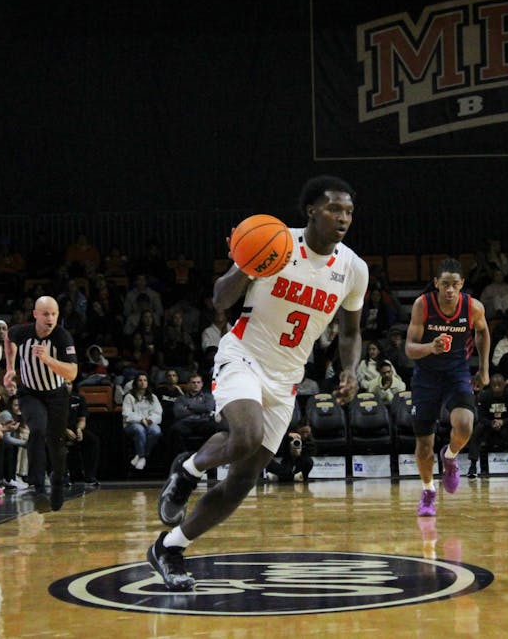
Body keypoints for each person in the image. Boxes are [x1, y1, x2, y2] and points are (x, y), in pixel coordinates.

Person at [147, 174, 368, 591]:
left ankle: (169, 547)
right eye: (334, 209)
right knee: (244, 435)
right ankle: (189, 469)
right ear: (311, 211)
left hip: (286, 378)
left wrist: (350, 370)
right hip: (243, 355)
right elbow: (221, 299)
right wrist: (245, 266)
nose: (343, 218)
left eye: (349, 211)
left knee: (243, 481)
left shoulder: (354, 269)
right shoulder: (276, 241)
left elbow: (352, 332)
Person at [405, 257, 490, 517]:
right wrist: (431, 347)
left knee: (465, 425)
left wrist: (484, 369)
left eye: (455, 284)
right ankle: (429, 491)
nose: (450, 290)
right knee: (424, 445)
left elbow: (483, 332)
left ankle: (451, 456)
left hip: (456, 373)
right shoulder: (423, 305)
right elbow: (409, 348)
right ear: (436, 284)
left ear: (462, 284)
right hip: (426, 377)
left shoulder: (473, 307)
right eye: (445, 284)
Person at [3, 295, 79, 511]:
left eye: (54, 314)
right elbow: (8, 338)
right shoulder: (23, 332)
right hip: (30, 393)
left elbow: (72, 373)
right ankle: (37, 486)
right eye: (46, 314)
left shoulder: (62, 337)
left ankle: (56, 483)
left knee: (56, 444)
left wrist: (48, 360)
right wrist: (10, 368)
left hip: (56, 394)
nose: (50, 318)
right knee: (37, 429)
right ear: (35, 314)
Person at [468, 373, 508, 479]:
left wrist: (502, 422)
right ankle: (473, 466)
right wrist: (492, 423)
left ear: (504, 385)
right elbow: (481, 417)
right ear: (491, 385)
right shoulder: (483, 396)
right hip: (489, 427)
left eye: (499, 385)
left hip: (506, 427)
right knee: (478, 428)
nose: (497, 388)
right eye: (494, 385)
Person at [121, 371, 163, 470]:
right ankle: (143, 457)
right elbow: (127, 414)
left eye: (145, 380)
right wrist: (141, 420)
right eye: (140, 380)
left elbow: (158, 412)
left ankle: (140, 455)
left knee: (156, 431)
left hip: (149, 422)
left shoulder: (152, 397)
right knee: (140, 430)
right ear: (136, 382)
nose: (143, 382)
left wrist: (150, 420)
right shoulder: (129, 396)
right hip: (132, 424)